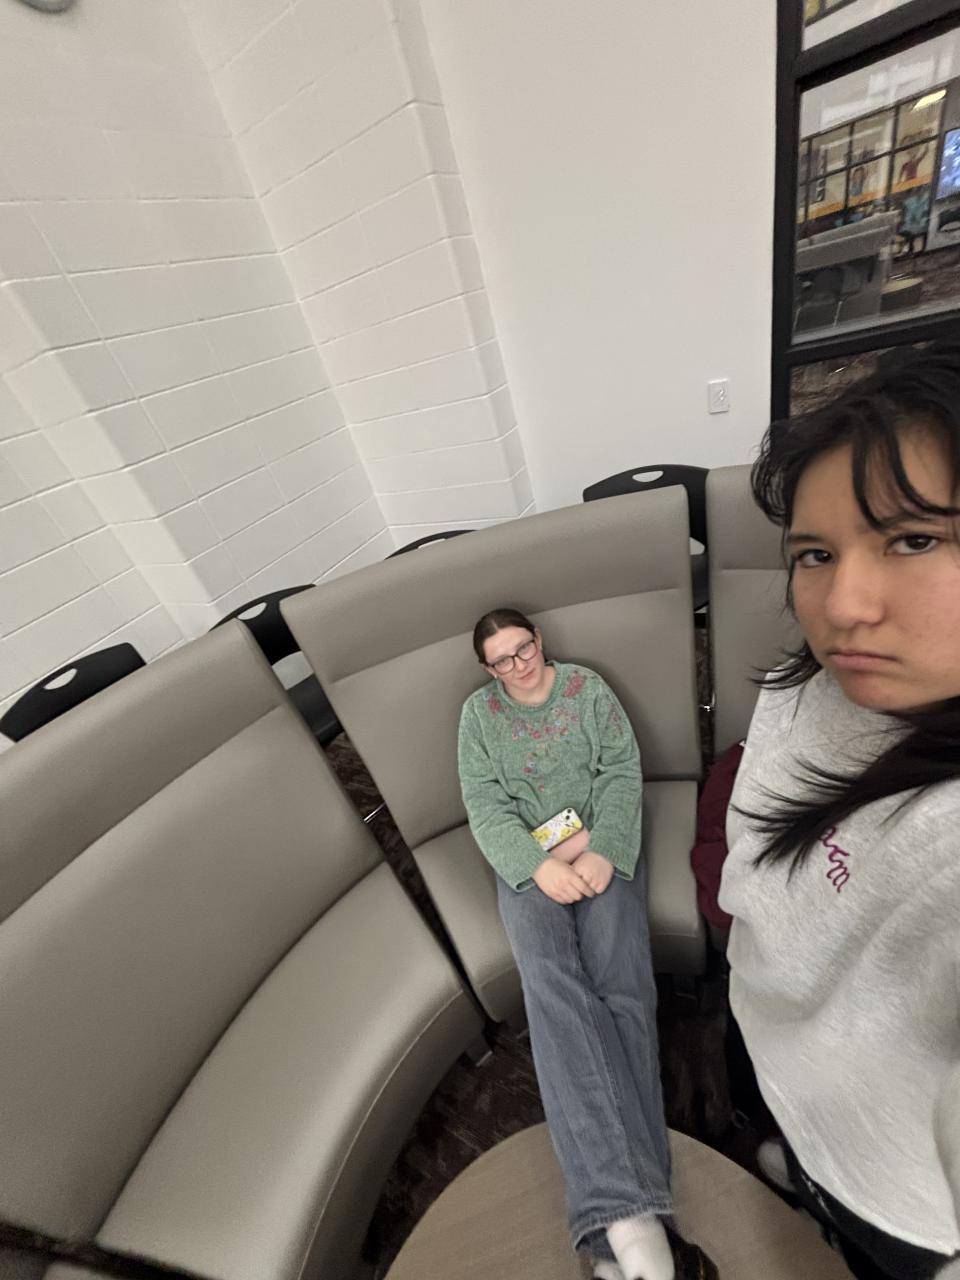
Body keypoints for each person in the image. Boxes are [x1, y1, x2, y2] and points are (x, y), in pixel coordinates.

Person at [719, 341, 960, 1280]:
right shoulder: (812, 677)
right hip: (761, 1019)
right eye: (814, 555)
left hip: (886, 1176)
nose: (843, 607)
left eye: (914, 539)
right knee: (765, 1130)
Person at [457, 610, 718, 1280]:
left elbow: (622, 772)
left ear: (539, 641)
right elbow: (485, 806)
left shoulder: (586, 688)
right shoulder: (479, 717)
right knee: (552, 991)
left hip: (605, 843)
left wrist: (603, 849)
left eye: (523, 649)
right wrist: (540, 865)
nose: (519, 666)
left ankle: (613, 1236)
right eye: (502, 660)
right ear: (487, 669)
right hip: (528, 863)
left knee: (622, 988)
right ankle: (641, 1222)